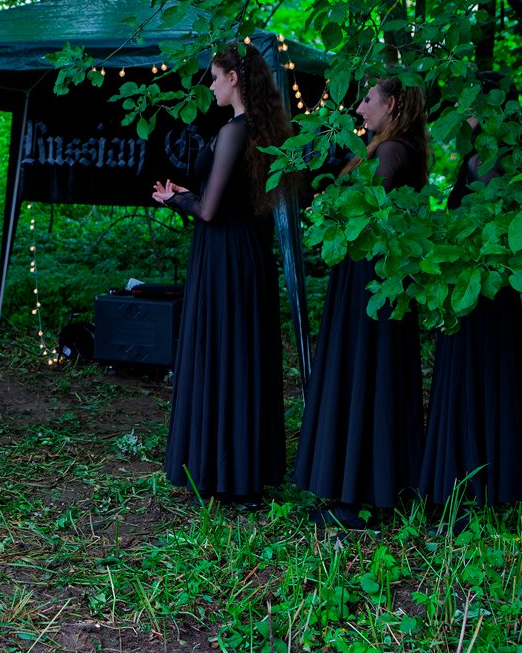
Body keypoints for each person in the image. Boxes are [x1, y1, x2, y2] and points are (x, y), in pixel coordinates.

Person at [151, 43, 287, 503]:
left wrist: (177, 199)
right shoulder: (262, 130)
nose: (210, 86)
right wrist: (189, 194)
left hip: (226, 255)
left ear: (233, 78)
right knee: (241, 354)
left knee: (223, 352)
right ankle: (242, 473)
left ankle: (225, 474)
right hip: (246, 253)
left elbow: (210, 212)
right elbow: (227, 198)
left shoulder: (234, 131)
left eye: (214, 77)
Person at [292, 75, 428, 529]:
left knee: (368, 374)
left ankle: (362, 496)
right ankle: (366, 489)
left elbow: (368, 213)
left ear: (392, 104)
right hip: (368, 277)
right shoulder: (388, 149)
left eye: (368, 100)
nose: (359, 108)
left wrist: (330, 206)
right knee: (368, 373)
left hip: (373, 280)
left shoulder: (392, 151)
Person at [419, 85, 522, 514]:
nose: (457, 111)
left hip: (481, 294)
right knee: (479, 379)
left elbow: (489, 230)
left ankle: (471, 492)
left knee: (474, 381)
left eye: (464, 106)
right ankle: (479, 488)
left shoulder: (484, 162)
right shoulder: (487, 160)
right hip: (483, 291)